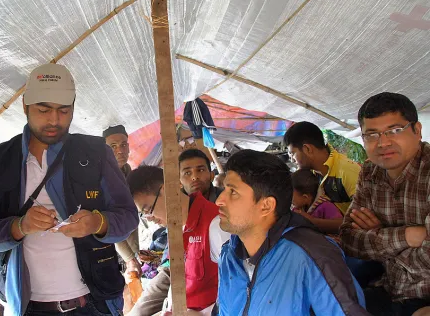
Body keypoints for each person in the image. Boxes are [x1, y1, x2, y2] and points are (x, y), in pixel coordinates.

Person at [0, 63, 138, 316]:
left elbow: (127, 217)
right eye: (43, 109)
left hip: (93, 304)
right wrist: (20, 226)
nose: (54, 120)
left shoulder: (96, 153)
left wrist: (97, 223)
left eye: (64, 110)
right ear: (25, 105)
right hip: (29, 307)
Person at [215, 149, 367, 316]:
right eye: (224, 190)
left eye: (233, 192)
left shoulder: (314, 256)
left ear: (266, 205)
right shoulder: (229, 254)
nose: (219, 200)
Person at [340, 92, 430, 316]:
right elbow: (349, 239)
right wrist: (409, 236)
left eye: (395, 130)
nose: (383, 142)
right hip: (387, 289)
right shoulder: (370, 172)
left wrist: (378, 236)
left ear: (416, 130)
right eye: (372, 134)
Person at [126, 165, 230, 315]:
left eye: (148, 210)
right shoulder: (176, 228)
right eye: (144, 214)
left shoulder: (216, 225)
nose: (150, 218)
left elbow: (237, 288)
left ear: (166, 190)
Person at [284, 121, 361, 233]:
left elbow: (359, 223)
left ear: (307, 149)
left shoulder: (347, 171)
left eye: (292, 153)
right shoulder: (312, 174)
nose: (291, 159)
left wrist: (312, 221)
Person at [103, 125, 141, 275]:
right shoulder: (102, 178)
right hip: (114, 250)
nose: (120, 150)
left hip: (130, 248)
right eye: (113, 146)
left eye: (124, 145)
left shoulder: (128, 172)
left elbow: (130, 213)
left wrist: (135, 253)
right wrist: (130, 258)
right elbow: (111, 223)